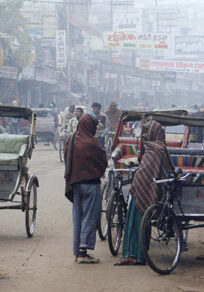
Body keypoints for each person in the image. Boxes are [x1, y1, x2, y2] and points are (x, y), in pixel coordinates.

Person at [115, 119, 173, 266]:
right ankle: (135, 255)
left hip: (141, 190)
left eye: (147, 131)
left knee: (136, 223)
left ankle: (134, 256)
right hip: (146, 190)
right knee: (139, 224)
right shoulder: (160, 149)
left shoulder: (154, 150)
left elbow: (147, 172)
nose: (145, 134)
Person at [64, 113, 107, 263]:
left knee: (78, 218)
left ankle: (78, 251)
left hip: (75, 184)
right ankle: (83, 252)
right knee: (90, 217)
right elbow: (103, 161)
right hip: (90, 185)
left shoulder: (71, 140)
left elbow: (66, 158)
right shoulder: (92, 143)